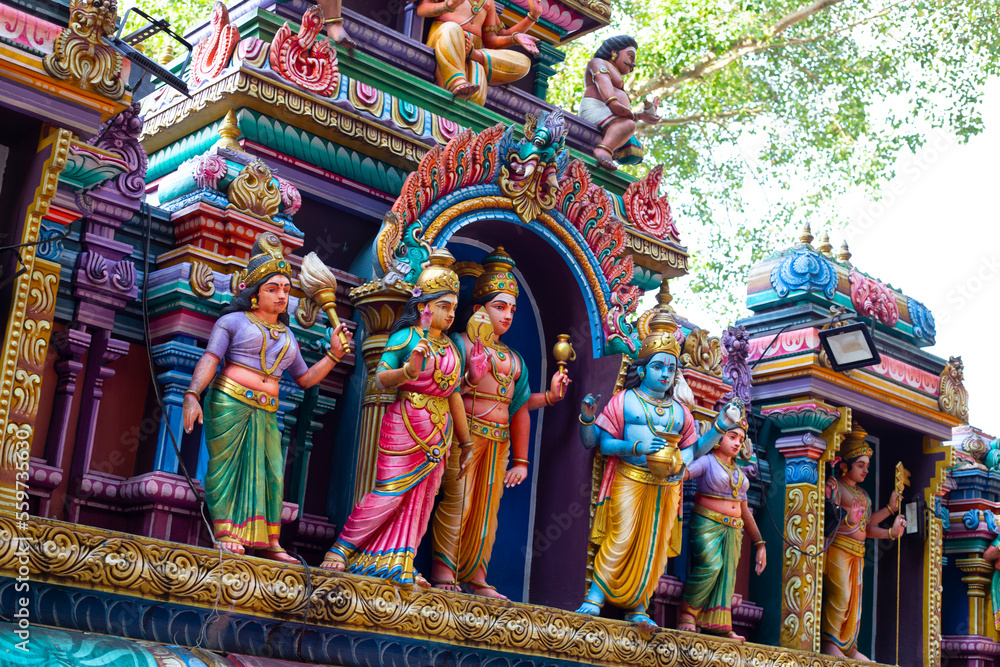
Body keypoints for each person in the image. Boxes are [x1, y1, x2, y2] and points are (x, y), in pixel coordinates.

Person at [182, 233, 353, 562]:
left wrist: (332, 356)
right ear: (253, 293)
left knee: (272, 473)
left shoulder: (288, 335)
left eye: (286, 290)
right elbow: (211, 359)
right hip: (230, 402)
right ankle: (225, 531)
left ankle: (270, 541)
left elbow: (304, 379)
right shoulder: (231, 321)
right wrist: (192, 393)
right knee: (227, 469)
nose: (281, 296)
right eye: (272, 289)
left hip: (266, 411)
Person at [320, 249, 480, 586]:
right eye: (443, 306)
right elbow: (381, 377)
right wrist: (408, 370)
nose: (450, 315)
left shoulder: (451, 348)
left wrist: (465, 443)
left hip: (440, 433)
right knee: (390, 492)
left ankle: (397, 561)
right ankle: (341, 548)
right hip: (406, 421)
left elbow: (453, 395)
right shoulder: (406, 337)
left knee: (421, 500)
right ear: (424, 308)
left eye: (453, 307)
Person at [576, 307, 744, 626]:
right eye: (658, 367)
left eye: (671, 368)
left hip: (665, 487)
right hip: (631, 476)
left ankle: (640, 606)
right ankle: (595, 596)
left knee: (654, 546)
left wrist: (719, 429)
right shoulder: (625, 400)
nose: (665, 374)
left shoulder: (681, 413)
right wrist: (629, 443)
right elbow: (599, 443)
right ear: (643, 370)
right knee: (621, 535)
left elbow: (693, 453)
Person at [429, 248, 570, 598]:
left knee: (486, 512)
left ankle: (477, 576)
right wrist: (470, 376)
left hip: (499, 443)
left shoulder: (514, 358)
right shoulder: (459, 344)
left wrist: (549, 399)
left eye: (512, 309)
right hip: (463, 436)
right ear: (479, 310)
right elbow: (444, 389)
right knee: (456, 502)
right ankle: (443, 573)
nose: (507, 316)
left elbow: (519, 407)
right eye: (499, 307)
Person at [821, 423, 906, 661]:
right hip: (838, 549)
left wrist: (891, 523)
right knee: (841, 596)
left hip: (857, 552)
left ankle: (849, 647)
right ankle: (830, 643)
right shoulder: (835, 485)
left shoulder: (863, 495)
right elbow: (827, 515)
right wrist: (846, 518)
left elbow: (866, 527)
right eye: (861, 465)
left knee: (854, 604)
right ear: (845, 465)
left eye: (867, 466)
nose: (865, 471)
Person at [678, 419, 766, 641]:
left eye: (741, 439)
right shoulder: (707, 462)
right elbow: (682, 473)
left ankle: (717, 625)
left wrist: (760, 544)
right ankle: (687, 615)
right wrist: (673, 463)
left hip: (734, 530)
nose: (737, 443)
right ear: (718, 440)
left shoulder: (739, 472)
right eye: (732, 437)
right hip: (707, 522)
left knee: (727, 577)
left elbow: (745, 511)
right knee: (711, 565)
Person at [414, 0, 541, 105]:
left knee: (523, 62)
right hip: (447, 40)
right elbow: (422, 9)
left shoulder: (488, 2)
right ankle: (456, 81)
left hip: (474, 49)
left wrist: (530, 20)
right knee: (452, 28)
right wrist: (448, 5)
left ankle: (476, 56)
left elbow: (492, 40)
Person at [580, 35, 661, 171]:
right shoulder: (598, 62)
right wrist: (612, 102)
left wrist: (642, 115)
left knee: (630, 132)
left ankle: (609, 146)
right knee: (629, 125)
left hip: (609, 115)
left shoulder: (616, 79)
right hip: (597, 108)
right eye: (630, 56)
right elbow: (602, 79)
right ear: (614, 52)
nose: (633, 63)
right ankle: (604, 150)